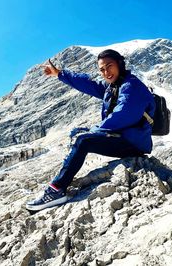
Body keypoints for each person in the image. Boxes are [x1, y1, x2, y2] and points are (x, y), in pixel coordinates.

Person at [26, 49, 155, 211]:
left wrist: (94, 131)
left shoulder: (131, 86)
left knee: (84, 140)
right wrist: (59, 73)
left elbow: (124, 114)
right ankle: (59, 184)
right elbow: (89, 84)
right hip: (124, 138)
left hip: (133, 143)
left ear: (120, 65)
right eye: (102, 69)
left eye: (110, 66)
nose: (106, 72)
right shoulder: (114, 86)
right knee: (80, 135)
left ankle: (57, 190)